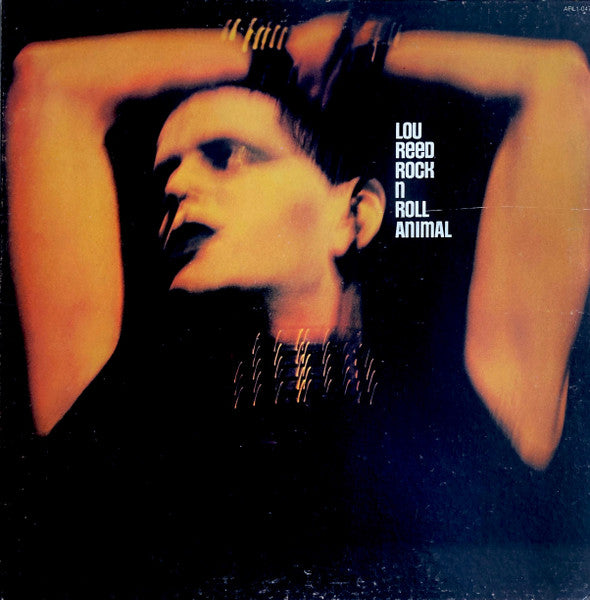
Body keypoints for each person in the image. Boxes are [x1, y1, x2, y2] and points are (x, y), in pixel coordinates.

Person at [5, 8, 590, 594]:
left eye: (227, 155)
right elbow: (49, 79)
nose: (177, 188)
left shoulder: (463, 406)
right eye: (167, 177)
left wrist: (358, 49)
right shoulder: (124, 411)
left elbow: (556, 80)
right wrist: (271, 49)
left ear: (354, 214)